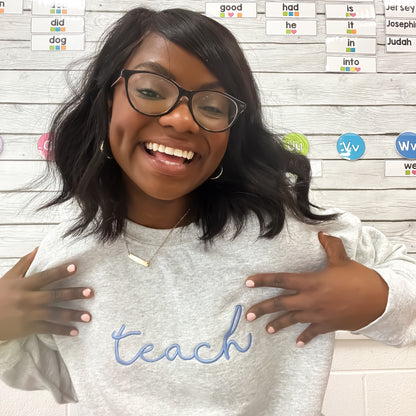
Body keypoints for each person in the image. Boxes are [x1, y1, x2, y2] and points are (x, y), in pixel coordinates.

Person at [0, 7, 415, 416]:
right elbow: (65, 372)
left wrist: (380, 299)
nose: (182, 120)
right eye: (150, 91)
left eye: (213, 107)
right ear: (107, 100)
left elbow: (406, 273)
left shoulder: (286, 234)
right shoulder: (68, 254)